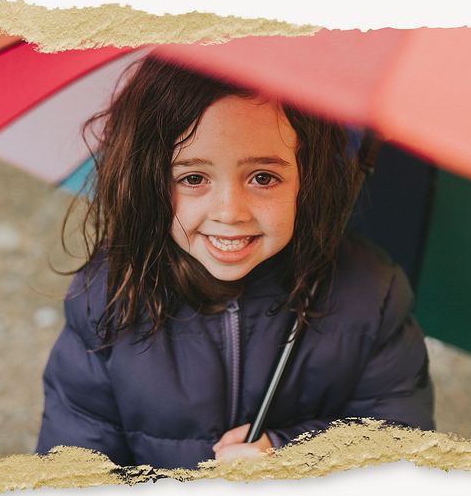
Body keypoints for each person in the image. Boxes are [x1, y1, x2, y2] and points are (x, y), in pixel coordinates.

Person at [35, 55, 434, 469]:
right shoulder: (110, 294)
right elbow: (71, 468)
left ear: (309, 177)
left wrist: (290, 458)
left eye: (262, 177)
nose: (230, 212)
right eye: (193, 178)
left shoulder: (370, 296)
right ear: (150, 179)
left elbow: (399, 448)